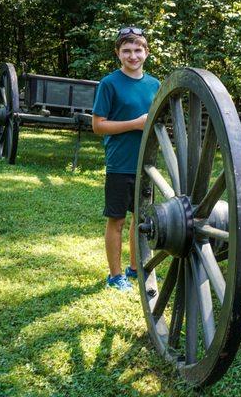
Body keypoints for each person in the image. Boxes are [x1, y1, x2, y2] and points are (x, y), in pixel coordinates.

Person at [92, 27, 160, 291]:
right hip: (120, 164)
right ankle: (115, 275)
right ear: (118, 54)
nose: (133, 56)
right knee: (117, 220)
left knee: (141, 221)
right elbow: (98, 126)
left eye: (138, 50)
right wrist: (135, 124)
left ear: (146, 52)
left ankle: (135, 269)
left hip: (147, 164)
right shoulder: (109, 83)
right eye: (127, 51)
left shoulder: (155, 85)